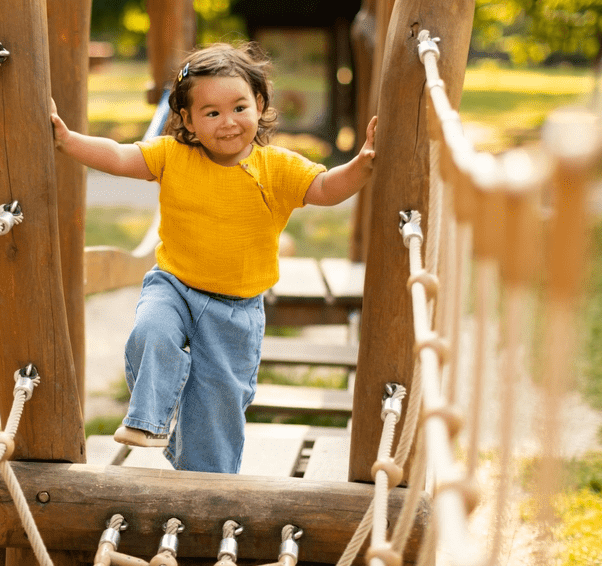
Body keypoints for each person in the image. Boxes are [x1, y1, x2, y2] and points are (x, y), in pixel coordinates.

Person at [51, 41, 376, 473]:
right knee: (153, 331)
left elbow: (327, 189)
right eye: (211, 113)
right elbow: (118, 155)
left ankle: (209, 481)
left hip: (235, 310)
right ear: (186, 119)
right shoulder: (172, 156)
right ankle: (148, 421)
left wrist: (363, 164)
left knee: (218, 405)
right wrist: (68, 140)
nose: (228, 123)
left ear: (259, 104)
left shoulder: (276, 168)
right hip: (174, 286)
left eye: (239, 107)